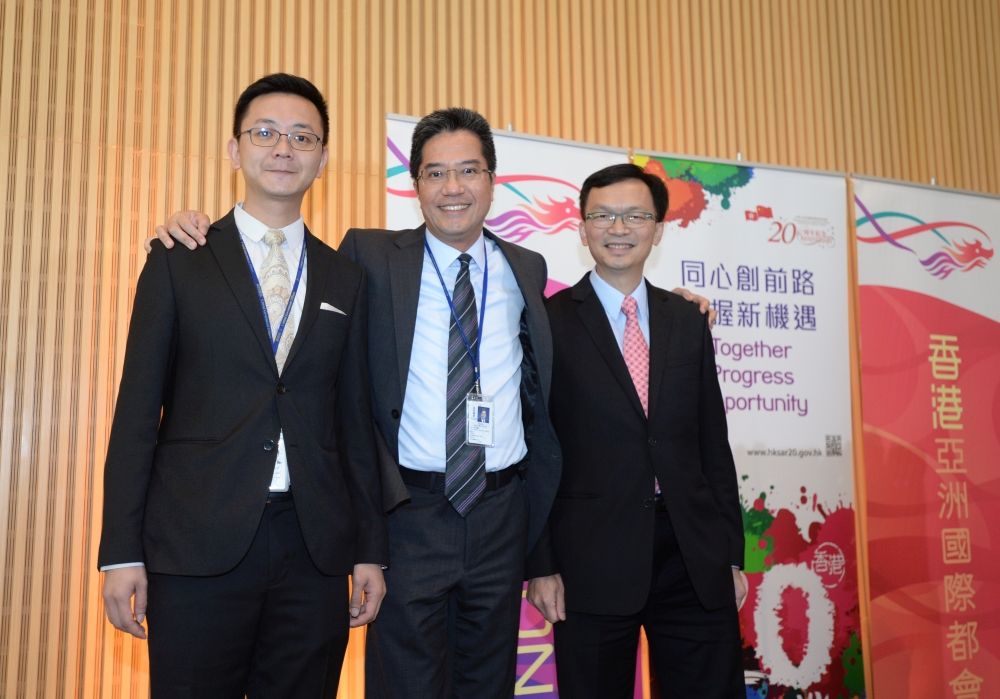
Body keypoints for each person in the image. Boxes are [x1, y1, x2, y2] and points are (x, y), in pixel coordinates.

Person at [98, 73, 387, 698]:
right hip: (195, 545)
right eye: (266, 133)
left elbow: (353, 422)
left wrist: (369, 548)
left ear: (323, 158)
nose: (284, 148)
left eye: (302, 137)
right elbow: (135, 414)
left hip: (312, 550)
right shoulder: (180, 257)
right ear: (235, 150)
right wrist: (120, 553)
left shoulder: (345, 278)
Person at [526, 163, 746, 698]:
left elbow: (711, 443)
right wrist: (542, 564)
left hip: (692, 555)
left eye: (634, 215)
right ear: (582, 228)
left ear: (658, 229)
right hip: (590, 559)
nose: (618, 228)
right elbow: (536, 450)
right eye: (602, 215)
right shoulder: (547, 323)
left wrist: (731, 554)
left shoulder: (686, 320)